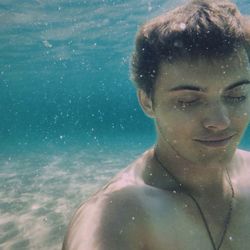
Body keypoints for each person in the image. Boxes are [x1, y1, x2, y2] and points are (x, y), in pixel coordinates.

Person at [62, 0, 250, 249]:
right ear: (147, 101)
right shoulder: (114, 217)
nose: (220, 121)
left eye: (237, 95)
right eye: (188, 100)